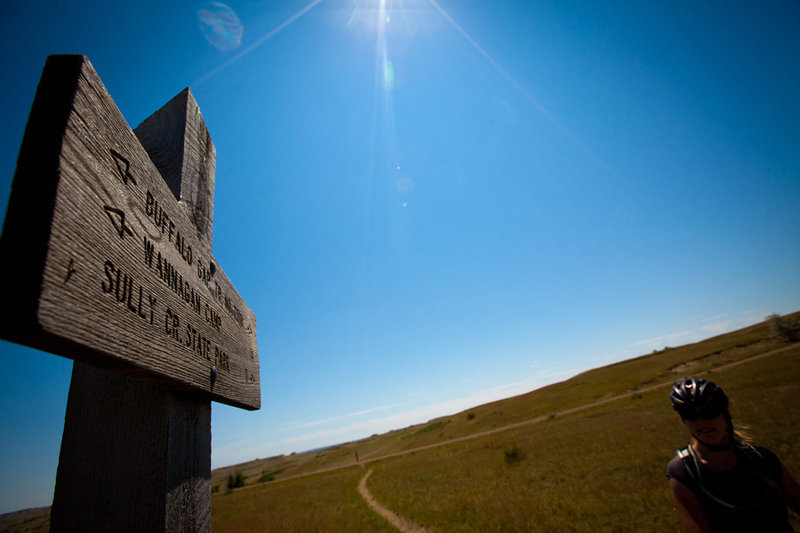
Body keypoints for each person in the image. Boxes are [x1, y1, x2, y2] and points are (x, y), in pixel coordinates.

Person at [666, 377, 800, 532]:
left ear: (727, 415)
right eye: (691, 415)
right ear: (684, 420)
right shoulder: (684, 473)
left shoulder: (761, 458)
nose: (702, 422)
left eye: (710, 412)